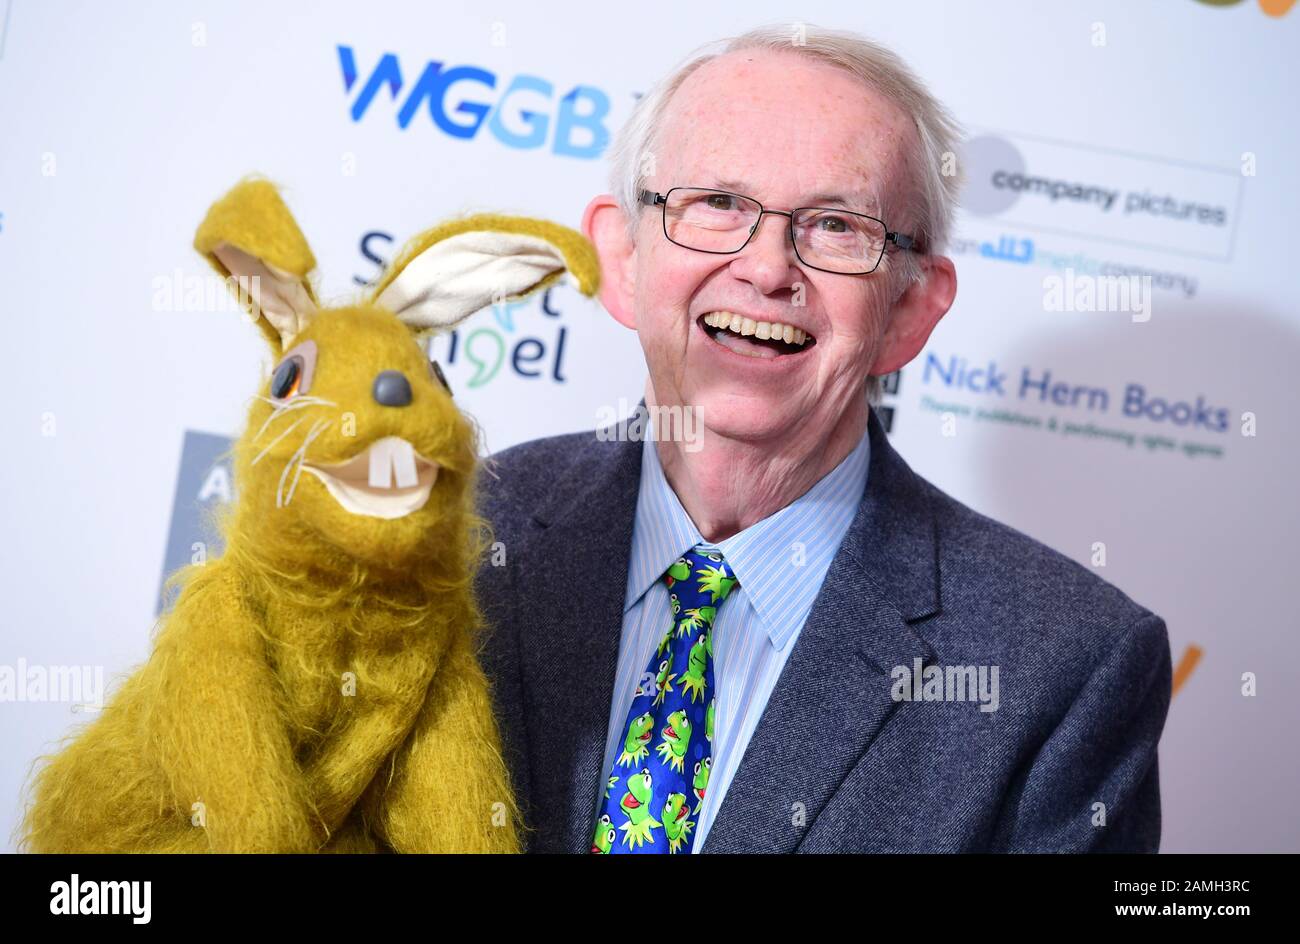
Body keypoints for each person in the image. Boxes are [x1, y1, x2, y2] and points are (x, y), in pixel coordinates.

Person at [473, 22, 1171, 853]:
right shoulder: (463, 535)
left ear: (910, 310)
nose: (767, 269)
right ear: (622, 258)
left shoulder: (1065, 667)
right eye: (718, 203)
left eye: (836, 225)